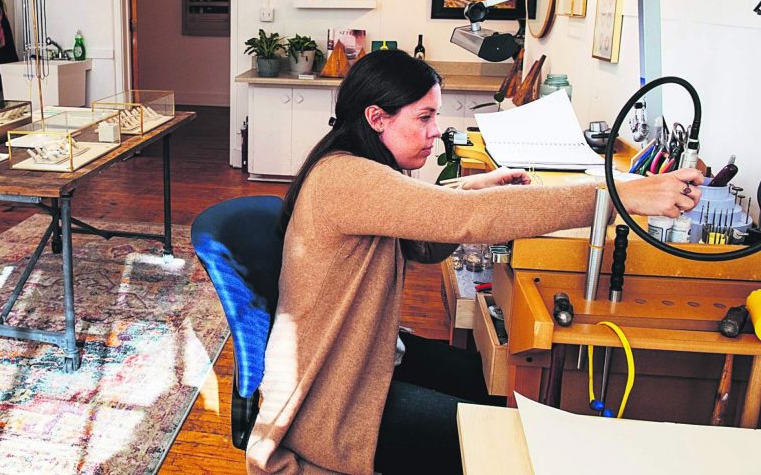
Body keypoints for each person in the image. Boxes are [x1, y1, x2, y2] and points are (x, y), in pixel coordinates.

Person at [245, 49, 703, 475]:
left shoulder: (363, 167)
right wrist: (619, 195)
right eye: (424, 117)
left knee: (484, 380)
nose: (434, 131)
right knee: (491, 443)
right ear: (376, 118)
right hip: (332, 398)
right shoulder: (346, 177)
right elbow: (464, 222)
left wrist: (474, 188)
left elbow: (425, 239)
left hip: (369, 358)